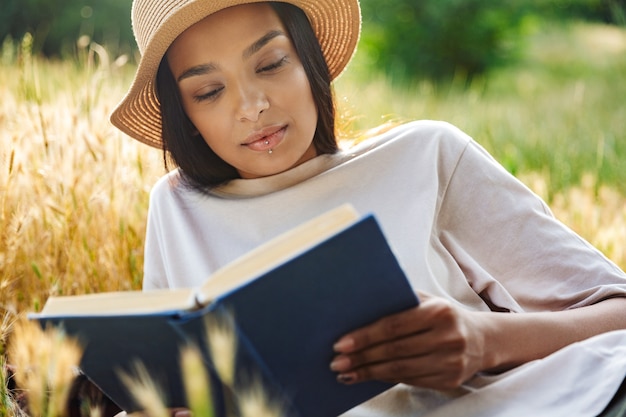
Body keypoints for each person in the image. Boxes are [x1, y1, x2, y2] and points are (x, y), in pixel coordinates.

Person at [109, 0, 626, 415]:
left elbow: (617, 312)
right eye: (209, 91)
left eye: (270, 63)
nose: (252, 106)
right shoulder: (177, 209)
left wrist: (485, 339)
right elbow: (170, 383)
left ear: (308, 57)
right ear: (185, 114)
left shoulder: (426, 155)